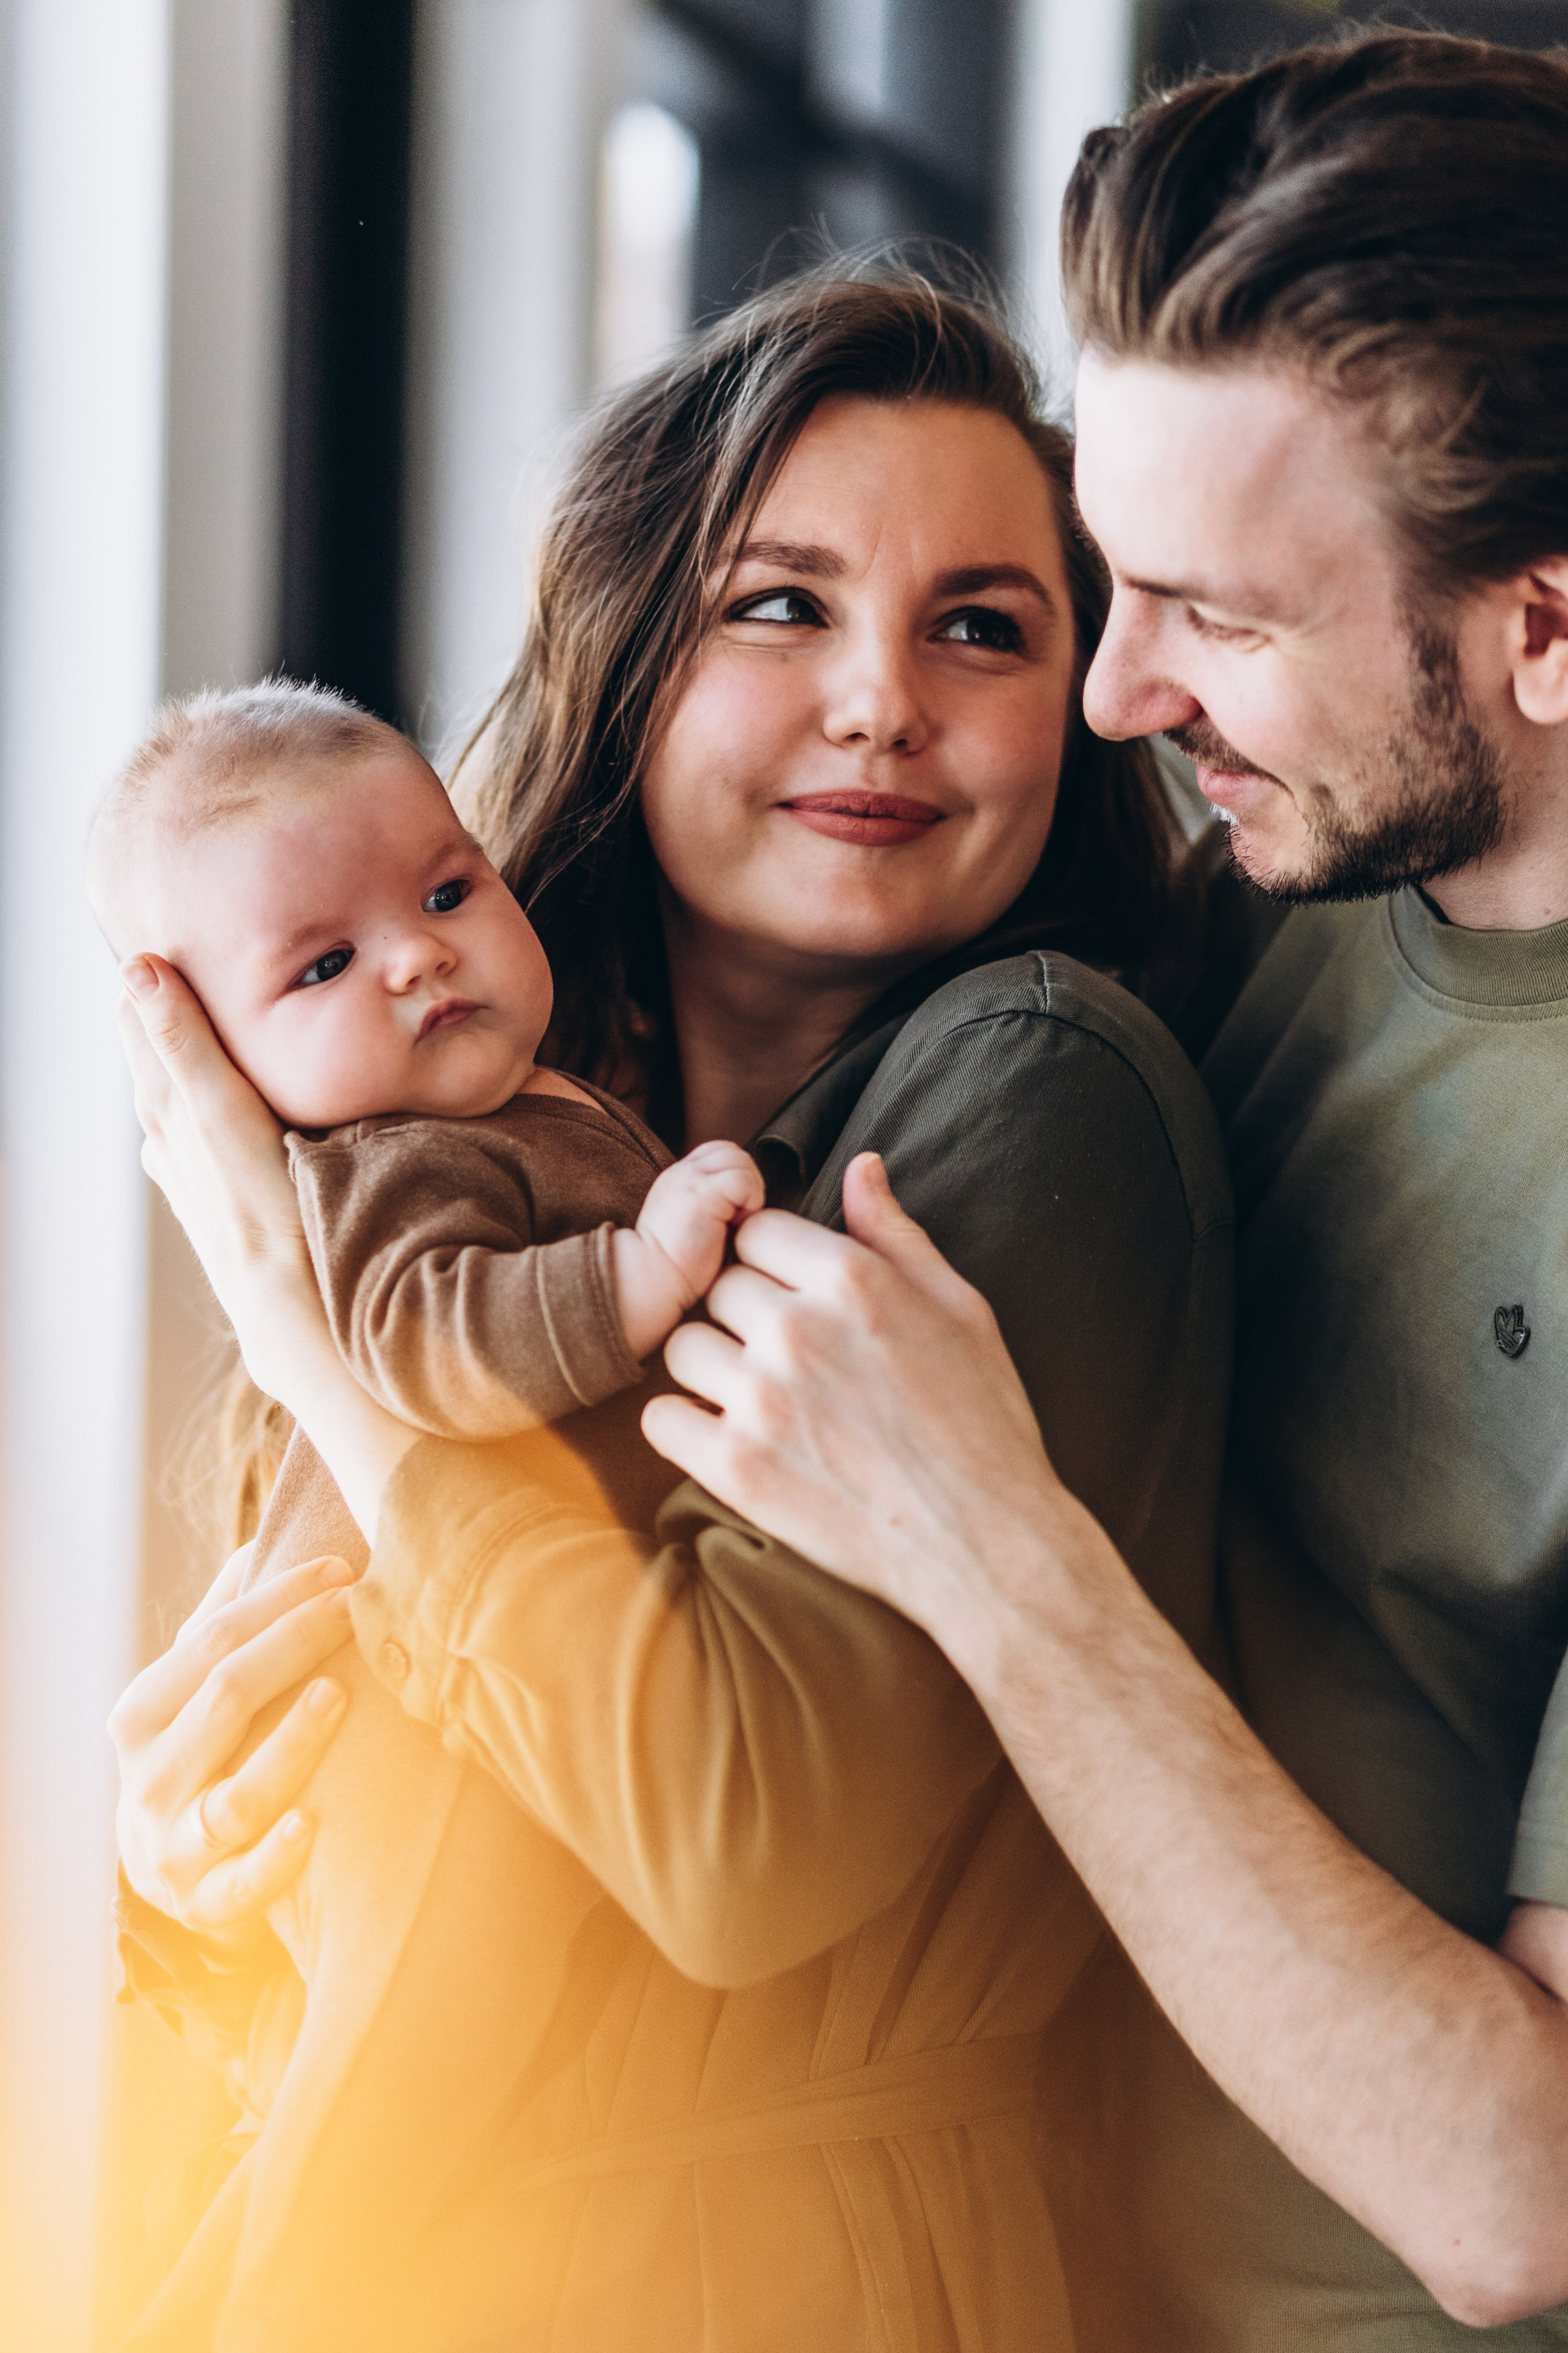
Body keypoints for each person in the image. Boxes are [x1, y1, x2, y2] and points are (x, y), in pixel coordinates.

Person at [109, 270, 1238, 2351]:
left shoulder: (1034, 1088)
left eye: (983, 624)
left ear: (1090, 704)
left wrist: (299, 1334)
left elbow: (727, 1842)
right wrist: (198, 1872)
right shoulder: (471, 1139)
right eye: (781, 604)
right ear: (629, 654)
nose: (881, 699)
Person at [639, 32, 1568, 2351]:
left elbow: (1517, 2191)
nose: (1119, 689)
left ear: (1545, 625)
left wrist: (990, 1545)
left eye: (1216, 616)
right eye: (1105, 584)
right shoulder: (1278, 871)